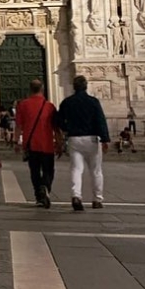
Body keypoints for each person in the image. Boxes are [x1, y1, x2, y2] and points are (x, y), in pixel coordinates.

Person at [54, 75, 110, 211]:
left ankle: (76, 196)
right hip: (92, 139)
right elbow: (100, 120)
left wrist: (67, 128)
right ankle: (97, 199)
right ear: (86, 86)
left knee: (76, 169)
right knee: (96, 171)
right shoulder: (93, 102)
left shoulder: (67, 102)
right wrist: (105, 139)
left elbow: (58, 120)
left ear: (74, 87)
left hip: (74, 139)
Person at [14, 79, 59, 208]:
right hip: (47, 145)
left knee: (34, 171)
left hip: (31, 145)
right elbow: (56, 127)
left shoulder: (23, 105)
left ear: (30, 89)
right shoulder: (49, 106)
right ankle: (45, 186)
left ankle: (39, 196)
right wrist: (59, 142)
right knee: (48, 170)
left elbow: (18, 126)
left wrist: (16, 142)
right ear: (42, 89)